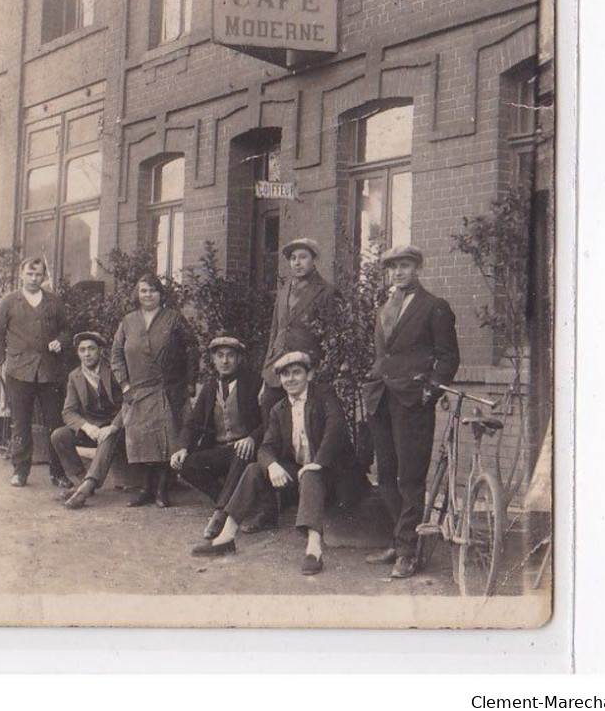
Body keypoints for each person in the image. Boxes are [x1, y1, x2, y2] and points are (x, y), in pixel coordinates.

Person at [191, 351, 350, 576]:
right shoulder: (279, 409)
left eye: (297, 373)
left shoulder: (324, 396)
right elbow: (266, 447)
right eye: (285, 375)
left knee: (310, 474)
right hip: (300, 474)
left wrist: (319, 463)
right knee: (254, 469)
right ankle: (226, 536)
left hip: (331, 473)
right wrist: (272, 465)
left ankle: (314, 549)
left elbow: (336, 430)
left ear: (309, 375)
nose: (291, 379)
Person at [362, 244, 460, 580]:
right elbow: (383, 355)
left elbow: (448, 358)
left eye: (405, 266)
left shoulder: (435, 307)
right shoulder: (383, 309)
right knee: (386, 474)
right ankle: (400, 538)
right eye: (394, 267)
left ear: (418, 267)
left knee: (410, 476)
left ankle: (408, 553)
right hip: (381, 398)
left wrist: (429, 392)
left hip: (412, 402)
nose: (399, 272)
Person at [111, 272, 198, 508]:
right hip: (137, 390)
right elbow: (116, 354)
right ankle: (145, 489)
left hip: (168, 388)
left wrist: (190, 381)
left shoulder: (174, 319)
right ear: (137, 295)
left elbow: (191, 348)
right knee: (142, 440)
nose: (148, 295)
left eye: (153, 290)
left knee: (167, 439)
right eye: (143, 291)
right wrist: (125, 384)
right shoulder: (128, 322)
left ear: (161, 294)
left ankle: (162, 490)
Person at [0, 256, 72, 488]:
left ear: (44, 277)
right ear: (21, 275)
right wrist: (5, 361)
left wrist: (60, 341)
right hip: (19, 372)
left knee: (55, 422)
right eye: (29, 274)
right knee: (21, 422)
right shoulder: (8, 302)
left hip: (48, 372)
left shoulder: (53, 301)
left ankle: (58, 473)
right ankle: (21, 471)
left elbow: (66, 329)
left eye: (38, 275)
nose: (34, 279)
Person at [170, 336, 263, 540]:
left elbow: (270, 421)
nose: (225, 361)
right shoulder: (210, 388)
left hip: (246, 451)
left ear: (239, 358)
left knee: (241, 451)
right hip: (221, 450)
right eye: (219, 356)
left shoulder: (255, 383)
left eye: (230, 355)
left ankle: (221, 514)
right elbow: (193, 423)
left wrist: (252, 438)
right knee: (185, 465)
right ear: (213, 359)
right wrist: (183, 447)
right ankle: (238, 501)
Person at [259, 238, 336, 426]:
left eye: (303, 257)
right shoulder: (284, 291)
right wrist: (266, 375)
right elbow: (275, 333)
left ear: (313, 259)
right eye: (293, 258)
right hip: (276, 373)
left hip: (306, 373)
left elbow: (333, 339)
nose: (297, 262)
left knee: (304, 426)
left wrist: (320, 373)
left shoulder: (326, 292)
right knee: (270, 423)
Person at [50, 331, 125, 509]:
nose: (87, 354)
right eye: (82, 350)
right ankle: (80, 481)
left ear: (100, 351)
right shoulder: (74, 377)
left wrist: (114, 426)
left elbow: (129, 402)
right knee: (59, 435)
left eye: (91, 349)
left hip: (118, 429)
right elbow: (68, 412)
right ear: (78, 353)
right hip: (92, 429)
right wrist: (86, 427)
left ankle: (86, 488)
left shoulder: (114, 371)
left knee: (108, 437)